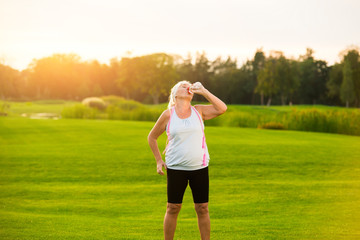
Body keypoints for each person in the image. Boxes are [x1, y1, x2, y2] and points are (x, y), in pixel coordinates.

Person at [147, 80, 227, 240]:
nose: (187, 86)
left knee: (202, 208)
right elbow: (152, 137)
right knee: (173, 207)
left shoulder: (199, 111)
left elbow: (222, 108)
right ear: (175, 94)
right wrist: (158, 160)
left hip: (199, 167)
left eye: (189, 85)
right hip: (176, 168)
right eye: (183, 85)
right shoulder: (168, 114)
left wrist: (204, 91)